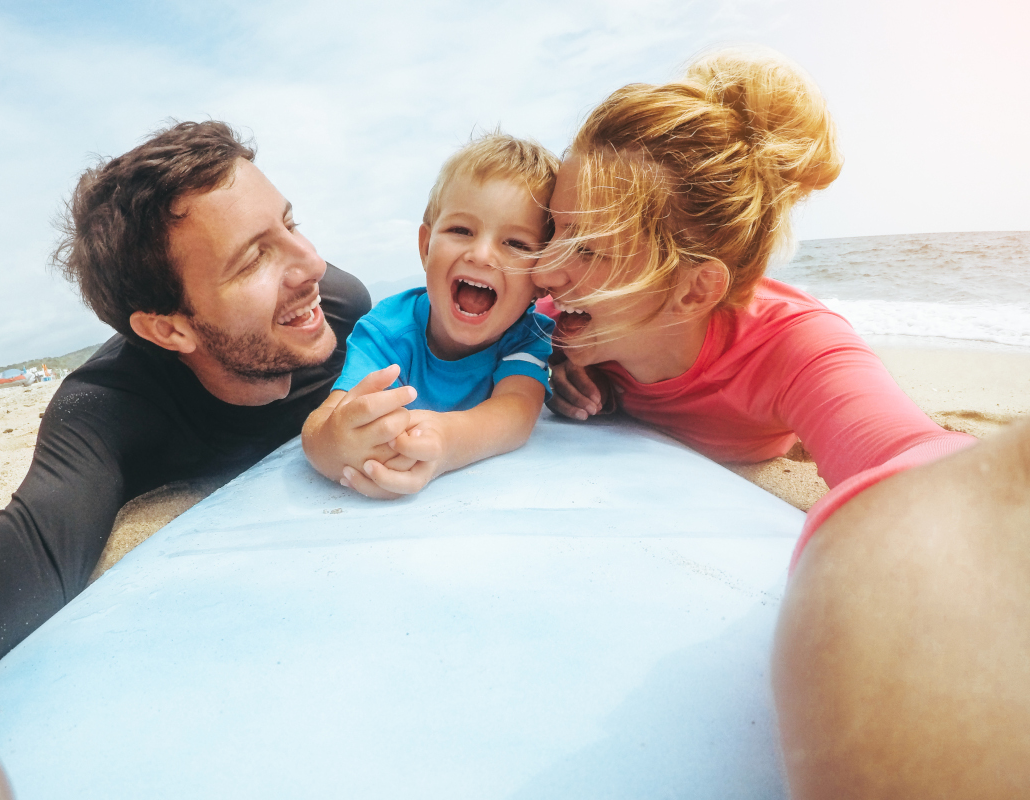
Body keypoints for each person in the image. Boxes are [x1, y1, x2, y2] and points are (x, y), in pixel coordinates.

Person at [533, 47, 1030, 796]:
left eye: (587, 250)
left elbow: (913, 460)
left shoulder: (795, 345)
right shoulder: (555, 323)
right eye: (551, 232)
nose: (544, 272)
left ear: (693, 292)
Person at [0, 120, 370, 798]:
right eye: (255, 258)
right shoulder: (108, 408)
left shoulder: (343, 309)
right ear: (166, 327)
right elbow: (26, 548)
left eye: (291, 224)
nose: (311, 265)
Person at [302, 133, 556, 498]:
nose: (482, 255)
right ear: (425, 246)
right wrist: (337, 445)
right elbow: (321, 425)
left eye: (516, 243)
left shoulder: (527, 334)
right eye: (461, 230)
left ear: (541, 279)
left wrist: (446, 442)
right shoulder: (386, 330)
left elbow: (516, 411)